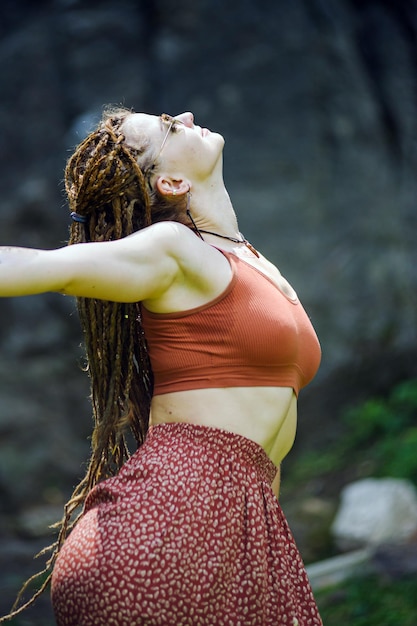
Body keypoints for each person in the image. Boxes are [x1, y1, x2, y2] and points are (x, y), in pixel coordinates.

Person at [0, 107, 323, 625]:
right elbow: (44, 268)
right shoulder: (174, 251)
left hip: (230, 525)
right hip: (162, 533)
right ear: (171, 182)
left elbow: (261, 462)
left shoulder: (247, 260)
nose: (188, 115)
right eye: (171, 127)